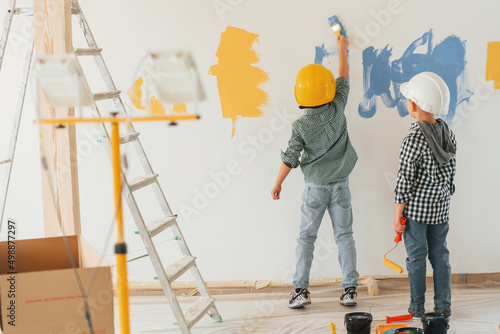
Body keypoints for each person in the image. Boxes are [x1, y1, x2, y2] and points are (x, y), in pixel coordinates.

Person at [271, 33, 359, 309]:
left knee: (306, 238)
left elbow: (290, 157)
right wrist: (342, 49)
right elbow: (343, 78)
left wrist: (278, 184)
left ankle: (301, 291)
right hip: (341, 184)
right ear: (328, 90)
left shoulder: (300, 126)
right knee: (344, 236)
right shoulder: (338, 108)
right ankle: (350, 290)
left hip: (315, 189)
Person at [394, 71, 457, 318]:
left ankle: (417, 307)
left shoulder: (413, 139)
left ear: (413, 104)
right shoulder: (448, 134)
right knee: (440, 256)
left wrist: (398, 214)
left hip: (417, 214)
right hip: (440, 211)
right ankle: (443, 306)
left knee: (417, 259)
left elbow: (404, 181)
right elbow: (451, 174)